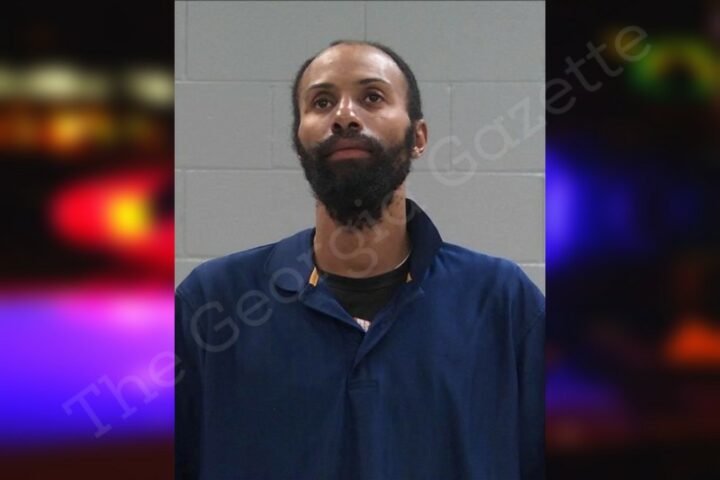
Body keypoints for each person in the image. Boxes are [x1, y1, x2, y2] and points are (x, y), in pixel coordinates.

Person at [175, 40, 545, 480]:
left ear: (418, 138)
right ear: (298, 142)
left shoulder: (503, 302)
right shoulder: (214, 303)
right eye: (322, 102)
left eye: (372, 97)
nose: (345, 116)